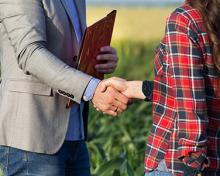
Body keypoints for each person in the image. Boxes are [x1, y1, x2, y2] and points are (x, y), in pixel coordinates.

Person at [0, 0, 129, 175]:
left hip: (75, 134)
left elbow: (70, 52)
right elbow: (30, 54)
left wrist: (99, 59)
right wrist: (91, 89)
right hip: (33, 136)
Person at [102, 0, 220, 175]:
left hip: (179, 165)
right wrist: (137, 88)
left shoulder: (184, 20)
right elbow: (195, 87)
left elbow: (191, 108)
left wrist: (191, 162)